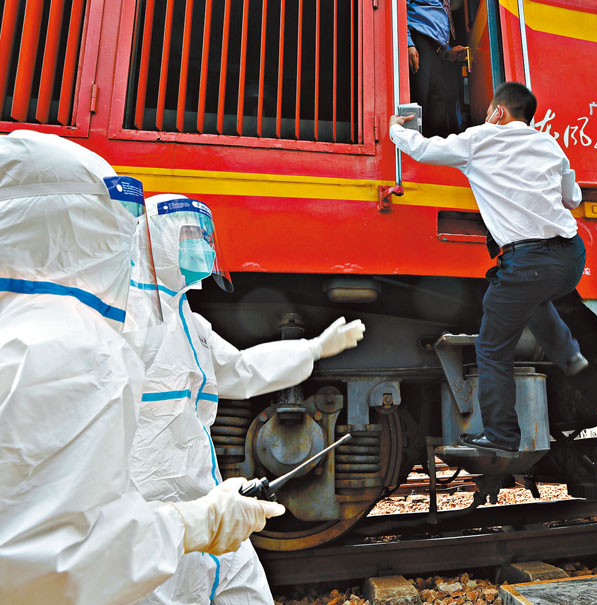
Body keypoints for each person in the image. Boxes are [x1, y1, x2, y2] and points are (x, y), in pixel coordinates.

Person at [0, 131, 285, 605]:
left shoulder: (27, 331)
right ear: (80, 230)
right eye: (116, 226)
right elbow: (54, 567)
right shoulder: (67, 349)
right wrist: (200, 523)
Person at [126, 193, 366, 604]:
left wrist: (313, 349)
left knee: (244, 589)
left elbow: (239, 370)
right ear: (157, 240)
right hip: (150, 506)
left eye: (204, 237)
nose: (201, 246)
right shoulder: (126, 320)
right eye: (189, 236)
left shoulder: (189, 321)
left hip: (205, 494)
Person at [389, 81, 587, 455]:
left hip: (528, 260)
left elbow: (425, 150)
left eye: (487, 112)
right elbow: (572, 198)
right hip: (571, 258)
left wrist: (397, 130)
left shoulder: (481, 138)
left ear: (498, 112)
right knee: (529, 296)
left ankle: (501, 437)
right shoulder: (549, 144)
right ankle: (569, 354)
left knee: (493, 348)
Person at [407, 0, 468, 136]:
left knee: (439, 100)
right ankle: (414, 145)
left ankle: (433, 145)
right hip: (420, 42)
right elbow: (399, 8)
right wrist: (409, 43)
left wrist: (447, 53)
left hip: (437, 52)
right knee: (420, 99)